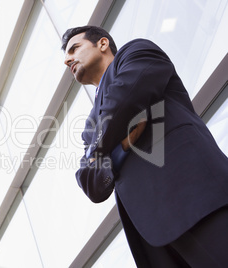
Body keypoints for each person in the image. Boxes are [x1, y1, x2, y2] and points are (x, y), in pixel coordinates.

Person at [62, 25, 228, 267]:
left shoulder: (136, 53)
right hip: (153, 241)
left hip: (195, 200)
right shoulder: (90, 127)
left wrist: (98, 152)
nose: (68, 60)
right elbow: (90, 183)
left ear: (103, 43)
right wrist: (121, 148)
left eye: (74, 48)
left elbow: (125, 101)